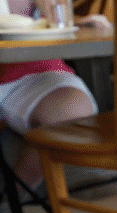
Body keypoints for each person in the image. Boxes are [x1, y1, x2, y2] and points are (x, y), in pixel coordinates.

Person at [1, 0, 99, 192]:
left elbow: (59, 22)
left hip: (38, 74)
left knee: (74, 110)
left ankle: (12, 200)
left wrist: (76, 25)